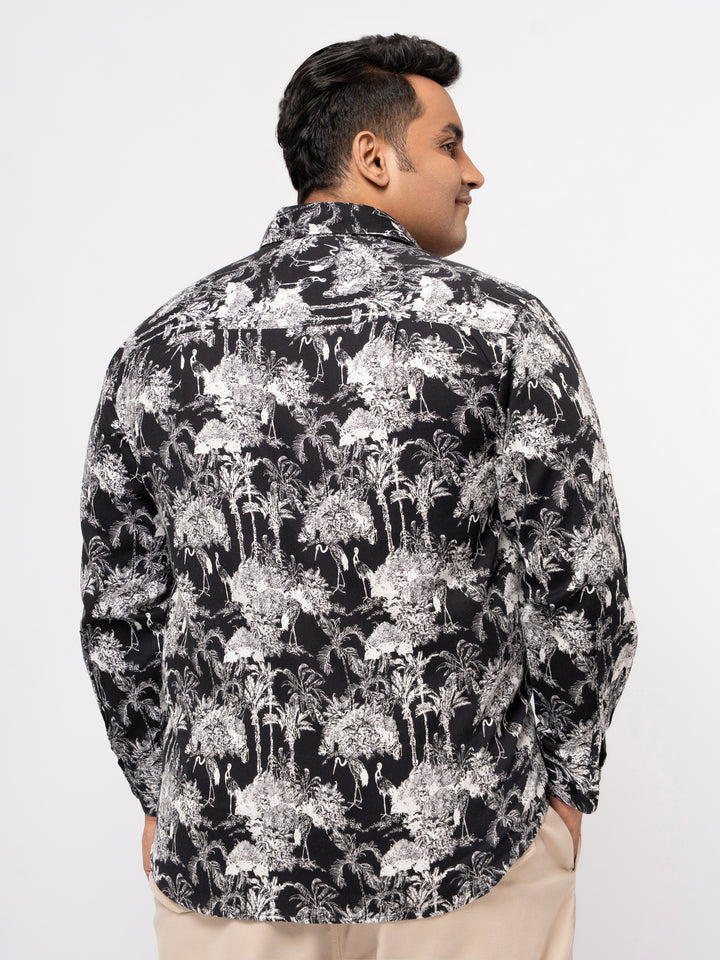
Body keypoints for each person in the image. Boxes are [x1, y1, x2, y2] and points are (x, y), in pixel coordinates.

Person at [79, 32, 638, 960]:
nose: (475, 172)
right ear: (375, 158)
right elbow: (578, 582)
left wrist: (161, 792)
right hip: (474, 849)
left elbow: (119, 609)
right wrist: (569, 789)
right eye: (451, 143)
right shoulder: (499, 330)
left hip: (231, 857)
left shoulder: (160, 348)